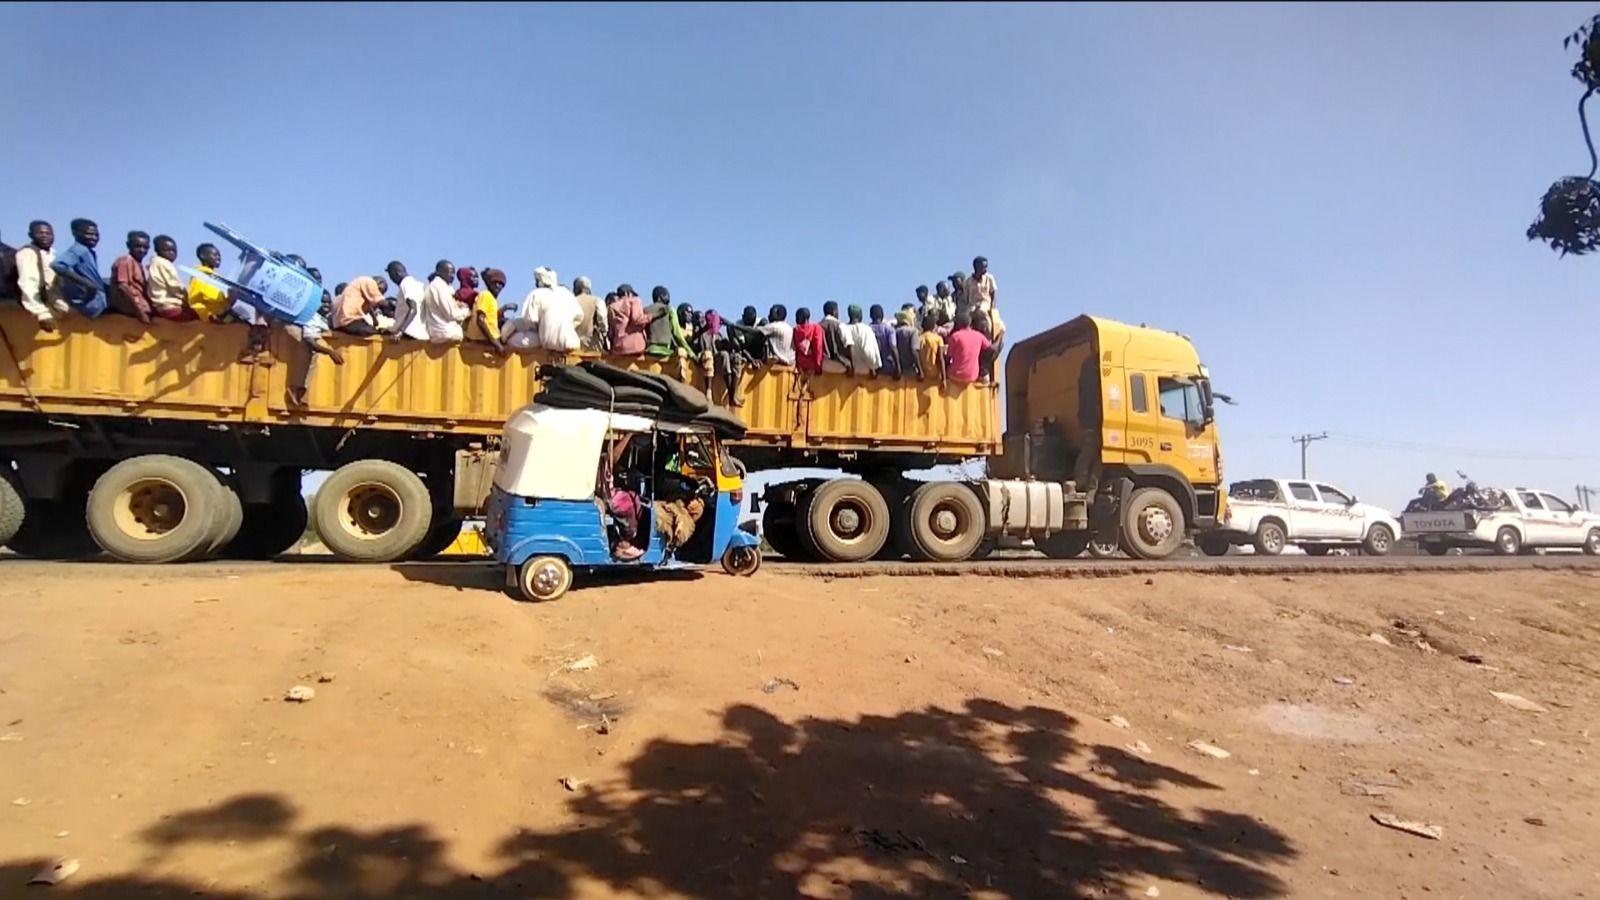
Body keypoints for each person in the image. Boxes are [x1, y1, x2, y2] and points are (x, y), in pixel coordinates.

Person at [507, 265, 581, 351]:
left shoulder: (536, 294)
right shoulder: (567, 293)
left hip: (549, 342)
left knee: (513, 340)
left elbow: (529, 321)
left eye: (537, 280)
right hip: (573, 341)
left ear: (541, 281)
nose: (536, 283)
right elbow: (579, 316)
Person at [50, 218, 109, 319]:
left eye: (96, 235)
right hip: (92, 303)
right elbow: (57, 265)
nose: (94, 238)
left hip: (98, 298)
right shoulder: (79, 250)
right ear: (75, 233)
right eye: (89, 234)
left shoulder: (88, 251)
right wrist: (87, 284)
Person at [15, 221, 68, 331]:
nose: (45, 236)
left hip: (59, 304)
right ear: (31, 235)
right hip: (45, 308)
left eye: (48, 234)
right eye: (40, 233)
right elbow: (28, 284)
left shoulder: (53, 255)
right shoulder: (28, 253)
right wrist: (42, 314)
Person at [105, 230, 153, 323]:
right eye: (138, 246)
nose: (142, 250)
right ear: (128, 245)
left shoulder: (138, 264)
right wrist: (139, 312)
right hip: (132, 308)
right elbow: (123, 287)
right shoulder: (125, 261)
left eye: (145, 247)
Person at [1072, 353, 1102, 495]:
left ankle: (1082, 482)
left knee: (1088, 452)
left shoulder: (1084, 380)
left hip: (1086, 419)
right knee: (1095, 454)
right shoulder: (1094, 381)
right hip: (1093, 421)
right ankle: (1086, 485)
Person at [146, 235, 192, 321]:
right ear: (157, 250)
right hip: (169, 305)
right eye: (167, 250)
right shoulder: (164, 263)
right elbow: (175, 287)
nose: (171, 253)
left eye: (174, 251)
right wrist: (188, 299)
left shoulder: (154, 263)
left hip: (159, 305)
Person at [420, 259, 466, 343]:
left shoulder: (437, 286)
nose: (453, 276)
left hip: (437, 332)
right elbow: (452, 314)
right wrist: (466, 311)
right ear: (439, 272)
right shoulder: (440, 287)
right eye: (450, 272)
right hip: (445, 333)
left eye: (454, 273)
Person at [184, 243, 231, 322]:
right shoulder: (202, 276)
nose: (218, 257)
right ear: (203, 256)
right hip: (207, 318)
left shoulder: (211, 276)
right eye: (215, 255)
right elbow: (213, 301)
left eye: (219, 255)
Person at [644, 285, 693, 359]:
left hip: (649, 350)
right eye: (666, 295)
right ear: (660, 297)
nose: (668, 297)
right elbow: (677, 335)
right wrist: (691, 353)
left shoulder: (645, 310)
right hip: (665, 352)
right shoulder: (670, 310)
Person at [944, 310, 992, 385]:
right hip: (972, 376)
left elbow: (948, 358)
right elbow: (990, 348)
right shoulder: (978, 335)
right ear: (970, 323)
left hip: (955, 376)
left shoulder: (955, 337)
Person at [385, 260, 428, 340]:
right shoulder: (419, 284)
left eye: (391, 275)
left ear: (397, 273)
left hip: (408, 333)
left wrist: (400, 331)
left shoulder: (405, 283)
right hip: (421, 333)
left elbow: (413, 309)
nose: (391, 279)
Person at [466, 268, 506, 351]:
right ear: (489, 283)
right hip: (483, 340)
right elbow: (480, 321)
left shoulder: (492, 299)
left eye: (501, 284)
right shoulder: (486, 295)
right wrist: (495, 343)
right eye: (495, 283)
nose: (498, 286)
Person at [607, 284, 650, 355]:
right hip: (636, 347)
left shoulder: (612, 307)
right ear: (627, 293)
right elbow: (637, 320)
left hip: (618, 348)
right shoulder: (635, 301)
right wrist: (649, 317)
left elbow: (611, 332)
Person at [573, 275, 608, 352]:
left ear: (576, 289)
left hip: (573, 343)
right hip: (591, 344)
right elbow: (602, 320)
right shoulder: (597, 301)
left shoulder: (571, 301)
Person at [844, 304, 880, 376]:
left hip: (847, 369)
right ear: (859, 315)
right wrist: (873, 368)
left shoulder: (843, 327)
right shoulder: (866, 329)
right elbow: (869, 351)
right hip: (864, 369)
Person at [791, 306, 825, 374]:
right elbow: (818, 347)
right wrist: (818, 366)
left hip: (799, 366)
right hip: (813, 366)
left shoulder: (794, 330)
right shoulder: (816, 328)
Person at [819, 300, 850, 373]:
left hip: (822, 364)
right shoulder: (839, 325)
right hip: (838, 364)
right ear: (834, 312)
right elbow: (847, 345)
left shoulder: (818, 326)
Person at [868, 303, 898, 378]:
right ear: (882, 315)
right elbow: (893, 348)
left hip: (872, 369)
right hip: (888, 367)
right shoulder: (889, 330)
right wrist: (898, 367)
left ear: (870, 316)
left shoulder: (867, 330)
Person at [894, 304, 922, 380]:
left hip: (898, 369)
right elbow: (914, 351)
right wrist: (920, 371)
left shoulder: (894, 332)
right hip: (910, 370)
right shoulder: (913, 331)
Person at [917, 313, 946, 385]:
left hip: (923, 374)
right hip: (935, 375)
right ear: (933, 326)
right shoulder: (938, 339)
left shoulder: (919, 338)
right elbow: (940, 358)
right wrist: (944, 379)